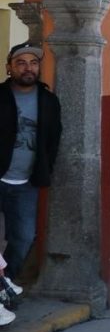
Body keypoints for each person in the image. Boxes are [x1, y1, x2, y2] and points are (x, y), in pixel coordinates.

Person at [0, 42, 62, 281]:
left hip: (26, 183)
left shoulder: (48, 101)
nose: (28, 68)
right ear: (10, 67)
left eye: (34, 63)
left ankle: (5, 284)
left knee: (24, 237)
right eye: (21, 63)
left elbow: (54, 139)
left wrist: (46, 168)